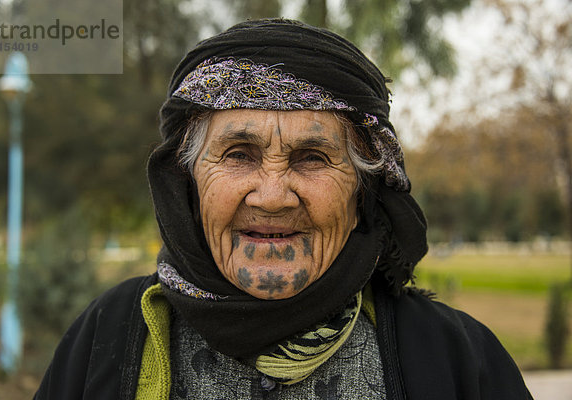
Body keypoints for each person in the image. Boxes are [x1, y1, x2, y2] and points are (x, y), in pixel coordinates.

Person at [34, 19, 533, 400]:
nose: (272, 196)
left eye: (312, 158)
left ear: (361, 192)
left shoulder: (456, 359)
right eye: (238, 155)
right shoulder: (108, 334)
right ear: (189, 185)